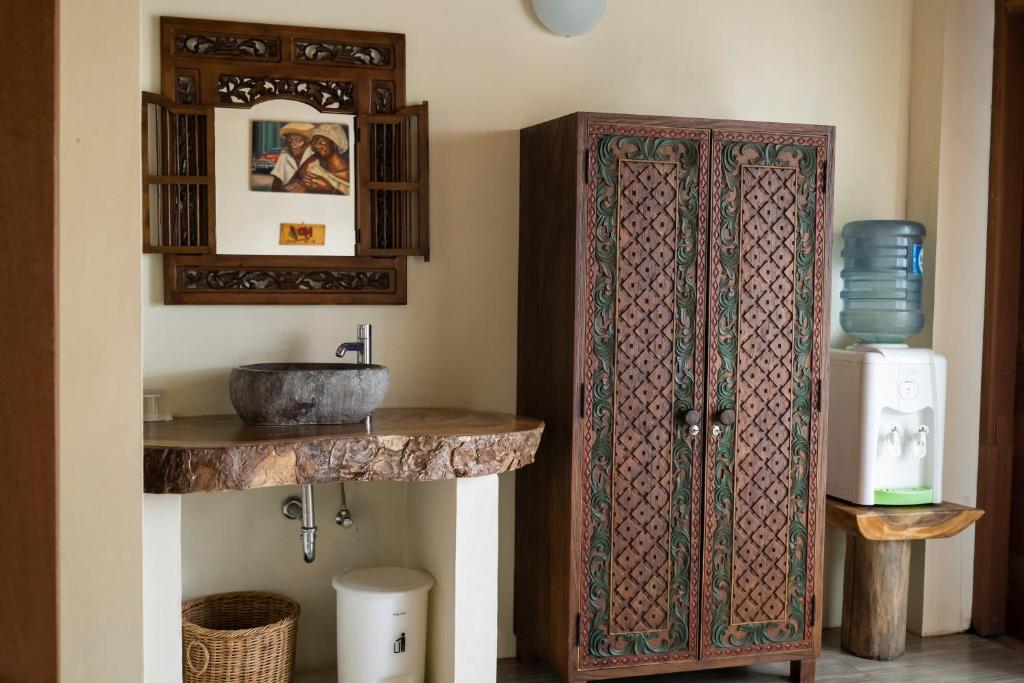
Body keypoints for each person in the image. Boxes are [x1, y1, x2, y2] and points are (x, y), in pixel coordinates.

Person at [285, 123, 351, 195]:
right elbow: (295, 180)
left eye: (321, 141)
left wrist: (329, 189)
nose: (315, 145)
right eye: (313, 141)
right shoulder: (314, 160)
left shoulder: (348, 172)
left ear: (334, 143)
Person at [270, 122, 314, 190]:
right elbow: (277, 182)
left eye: (297, 140)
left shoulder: (313, 155)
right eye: (290, 140)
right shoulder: (284, 155)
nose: (292, 144)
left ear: (307, 142)